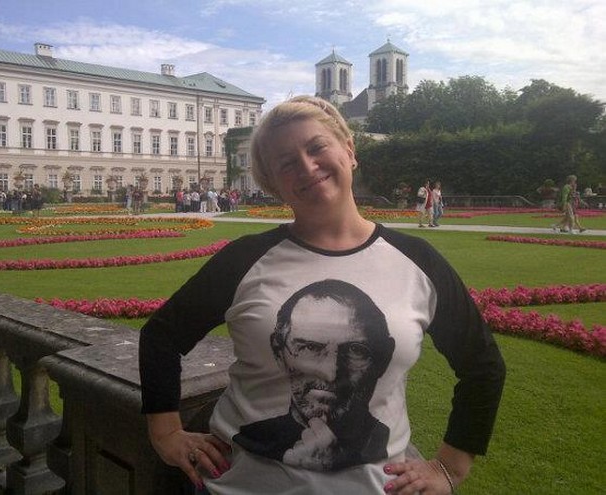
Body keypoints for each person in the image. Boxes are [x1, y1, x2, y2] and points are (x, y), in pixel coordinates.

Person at [139, 95, 506, 495]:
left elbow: (482, 365)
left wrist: (450, 467)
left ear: (349, 150)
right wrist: (166, 433)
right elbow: (162, 336)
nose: (307, 166)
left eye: (317, 147)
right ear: (274, 184)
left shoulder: (418, 262)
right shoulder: (244, 260)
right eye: (287, 163)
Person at [235, 279, 395, 471]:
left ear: (383, 359)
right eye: (310, 347)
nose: (330, 373)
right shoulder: (250, 435)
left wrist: (433, 467)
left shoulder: (388, 442)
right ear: (279, 353)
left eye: (355, 350)